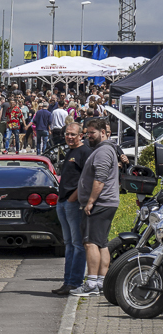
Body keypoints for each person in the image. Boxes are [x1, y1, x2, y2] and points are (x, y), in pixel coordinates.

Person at [72, 118, 120, 297]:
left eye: (92, 132)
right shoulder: (104, 150)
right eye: (88, 132)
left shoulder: (103, 152)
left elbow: (100, 179)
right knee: (101, 243)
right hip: (105, 202)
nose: (89, 136)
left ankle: (91, 283)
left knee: (90, 242)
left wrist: (90, 201)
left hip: (100, 203)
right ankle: (101, 282)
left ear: (103, 132)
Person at [54, 123, 91, 296]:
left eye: (73, 134)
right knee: (68, 244)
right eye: (67, 134)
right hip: (62, 202)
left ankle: (75, 282)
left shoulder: (84, 152)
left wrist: (73, 197)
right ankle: (67, 281)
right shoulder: (70, 151)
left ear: (81, 135)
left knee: (77, 244)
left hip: (72, 203)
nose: (69, 137)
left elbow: (87, 179)